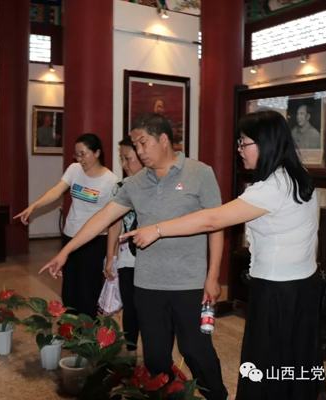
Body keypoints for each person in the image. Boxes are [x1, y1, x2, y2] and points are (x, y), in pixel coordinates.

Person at [122, 110, 326, 400]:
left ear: (266, 143)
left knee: (267, 362)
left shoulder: (271, 188)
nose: (239, 149)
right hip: (302, 286)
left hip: (278, 291)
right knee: (294, 358)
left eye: (244, 143)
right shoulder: (297, 176)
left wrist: (157, 229)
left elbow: (212, 220)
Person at [40, 113, 228, 400]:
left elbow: (216, 225)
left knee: (196, 350)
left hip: (189, 283)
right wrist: (65, 251)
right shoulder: (136, 183)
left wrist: (213, 277)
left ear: (163, 140)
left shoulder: (200, 173)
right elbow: (102, 219)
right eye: (135, 145)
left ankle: (218, 396)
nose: (139, 151)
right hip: (147, 284)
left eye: (143, 143)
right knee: (155, 355)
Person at [16, 133, 118, 318]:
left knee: (88, 290)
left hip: (94, 241)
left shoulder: (110, 181)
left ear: (97, 153)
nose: (79, 159)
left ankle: (87, 331)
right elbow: (56, 191)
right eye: (76, 155)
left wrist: (111, 256)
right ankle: (70, 327)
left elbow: (114, 220)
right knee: (70, 289)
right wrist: (34, 206)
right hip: (70, 236)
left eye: (83, 154)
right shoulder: (74, 169)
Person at [104, 136, 144, 356]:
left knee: (148, 306)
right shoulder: (120, 188)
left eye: (128, 158)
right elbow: (114, 225)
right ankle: (131, 350)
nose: (124, 164)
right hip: (127, 256)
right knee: (130, 305)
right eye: (121, 159)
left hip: (152, 257)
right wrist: (110, 257)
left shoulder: (157, 186)